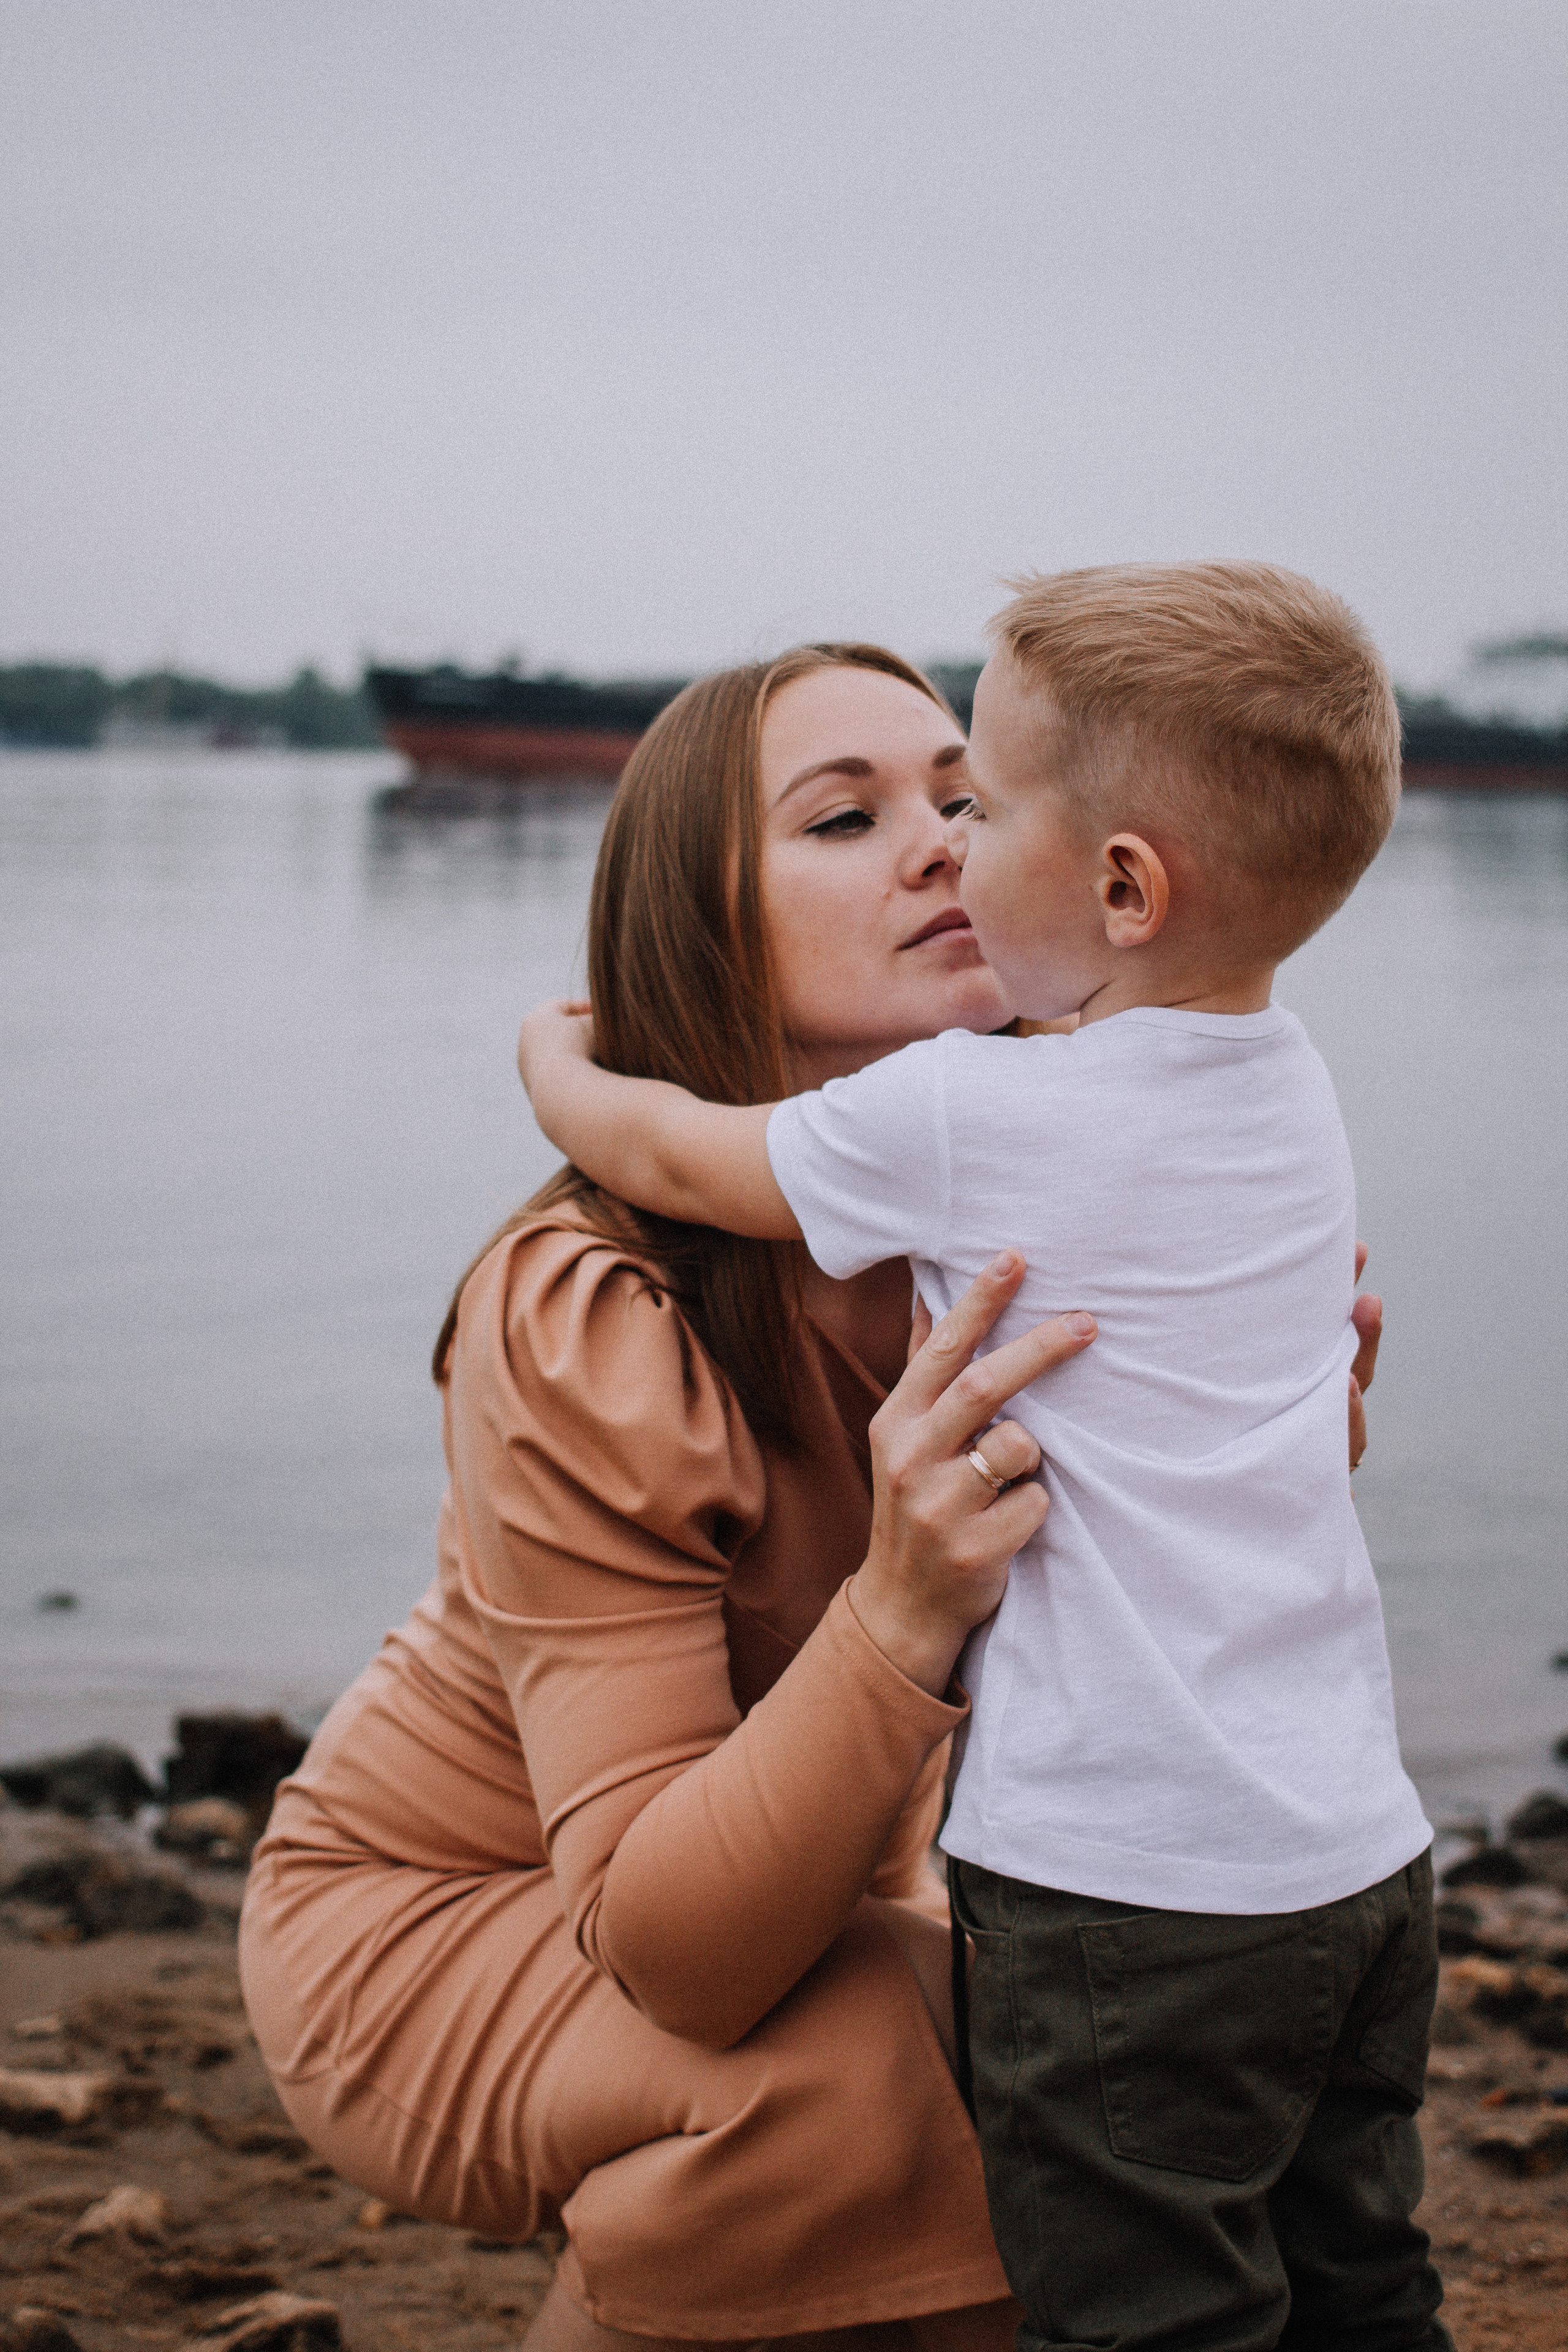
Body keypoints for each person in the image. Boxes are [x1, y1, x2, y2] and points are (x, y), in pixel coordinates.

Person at [516, 568, 1446, 2352]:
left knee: (1145, 2312)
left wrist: (555, 1066)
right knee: (1362, 2280)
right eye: (860, 817)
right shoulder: (1294, 1087)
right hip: (1355, 1863)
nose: (947, 852)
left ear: (1122, 887)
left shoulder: (972, 1119)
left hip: (1129, 1890)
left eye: (980, 804)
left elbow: (686, 1157)